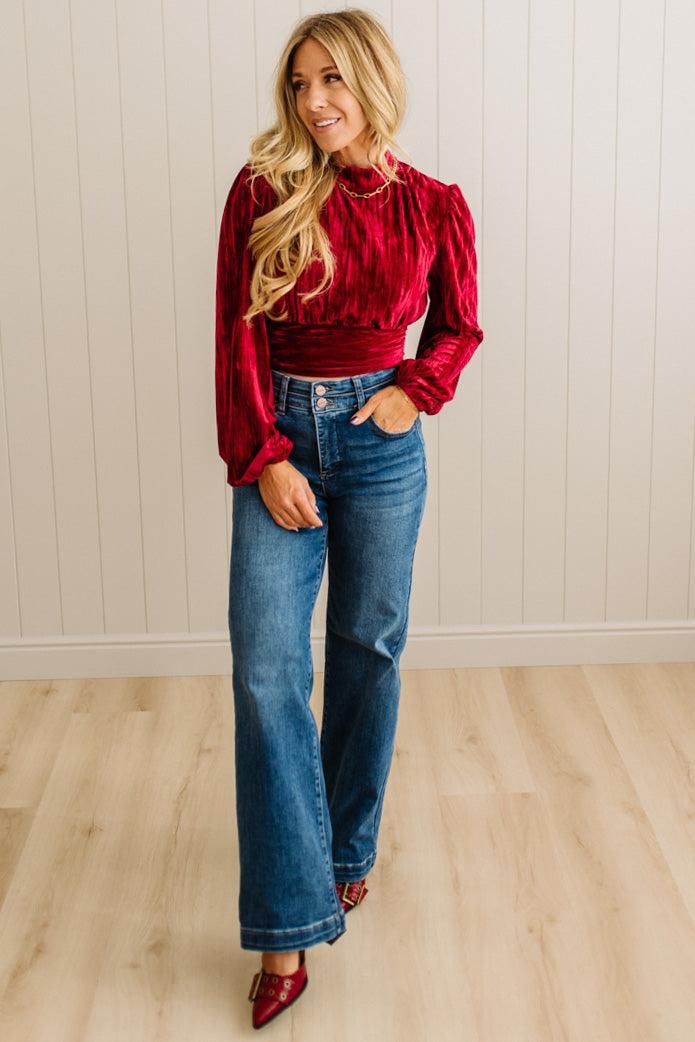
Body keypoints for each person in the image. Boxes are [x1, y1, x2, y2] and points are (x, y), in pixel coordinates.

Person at [215, 8, 483, 1030]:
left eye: (330, 79)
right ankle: (288, 922)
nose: (313, 101)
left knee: (367, 649)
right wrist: (263, 455)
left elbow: (458, 325)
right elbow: (233, 329)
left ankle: (342, 855)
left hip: (380, 446)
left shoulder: (432, 204)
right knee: (266, 670)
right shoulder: (262, 190)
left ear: (371, 81)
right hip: (279, 433)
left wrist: (416, 389)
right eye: (297, 84)